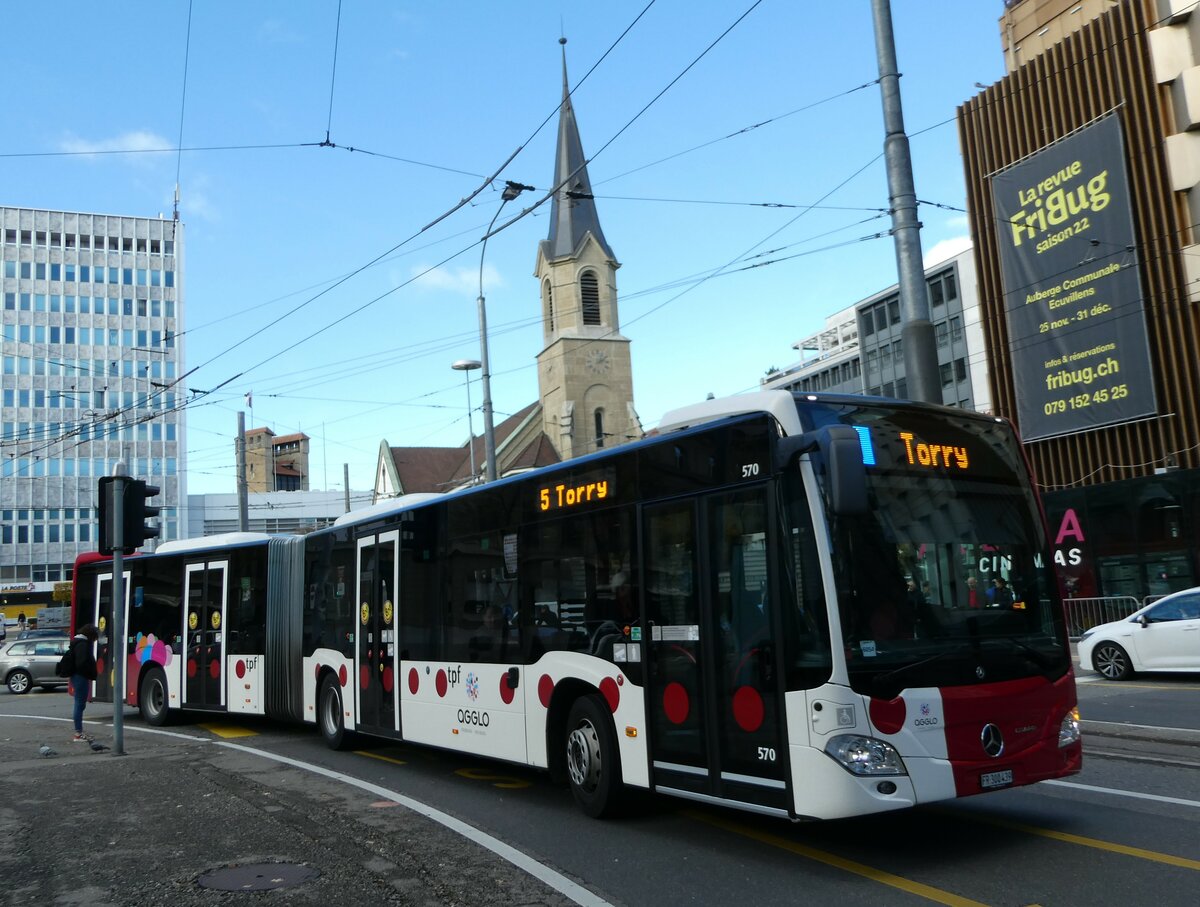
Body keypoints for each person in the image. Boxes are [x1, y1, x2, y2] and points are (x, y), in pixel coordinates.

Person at [68, 624, 99, 743]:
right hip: (80, 676)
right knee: (80, 704)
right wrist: (89, 672)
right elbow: (82, 663)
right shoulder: (83, 644)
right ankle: (78, 733)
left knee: (79, 703)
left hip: (76, 676)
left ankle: (78, 732)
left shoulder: (77, 642)